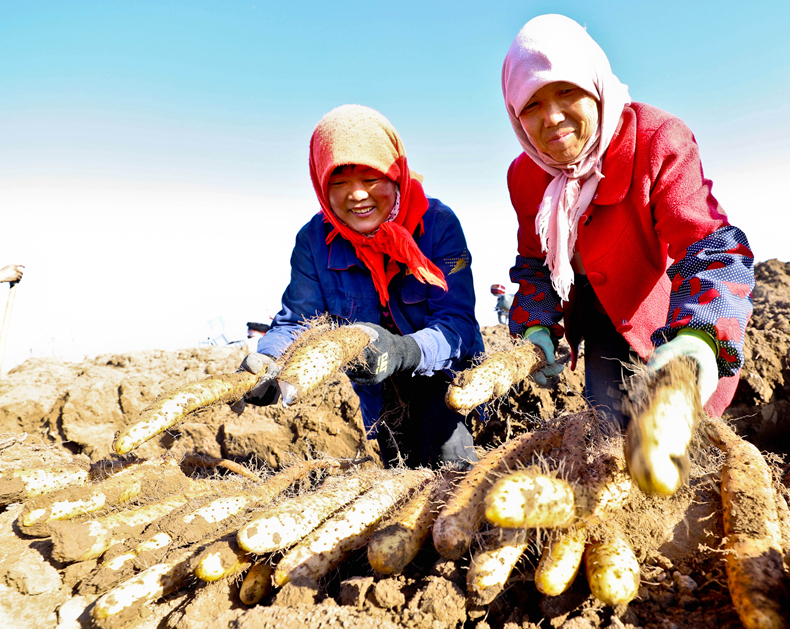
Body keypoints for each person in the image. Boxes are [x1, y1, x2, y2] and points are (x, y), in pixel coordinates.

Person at [500, 15, 755, 428]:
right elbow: (534, 261)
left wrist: (698, 338)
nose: (551, 117)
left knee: (679, 440)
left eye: (567, 91)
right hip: (595, 313)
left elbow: (709, 245)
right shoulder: (525, 175)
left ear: (596, 88)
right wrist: (534, 325)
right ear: (515, 114)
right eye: (531, 103)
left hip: (663, 314)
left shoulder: (656, 140)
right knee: (609, 433)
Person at [238, 105, 484, 469]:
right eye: (338, 183)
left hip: (445, 376)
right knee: (401, 473)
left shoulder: (437, 224)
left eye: (370, 179)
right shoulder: (313, 240)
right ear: (321, 186)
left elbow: (457, 323)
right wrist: (269, 360)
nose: (356, 195)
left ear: (395, 174)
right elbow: (298, 320)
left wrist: (403, 351)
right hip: (378, 389)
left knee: (452, 466)